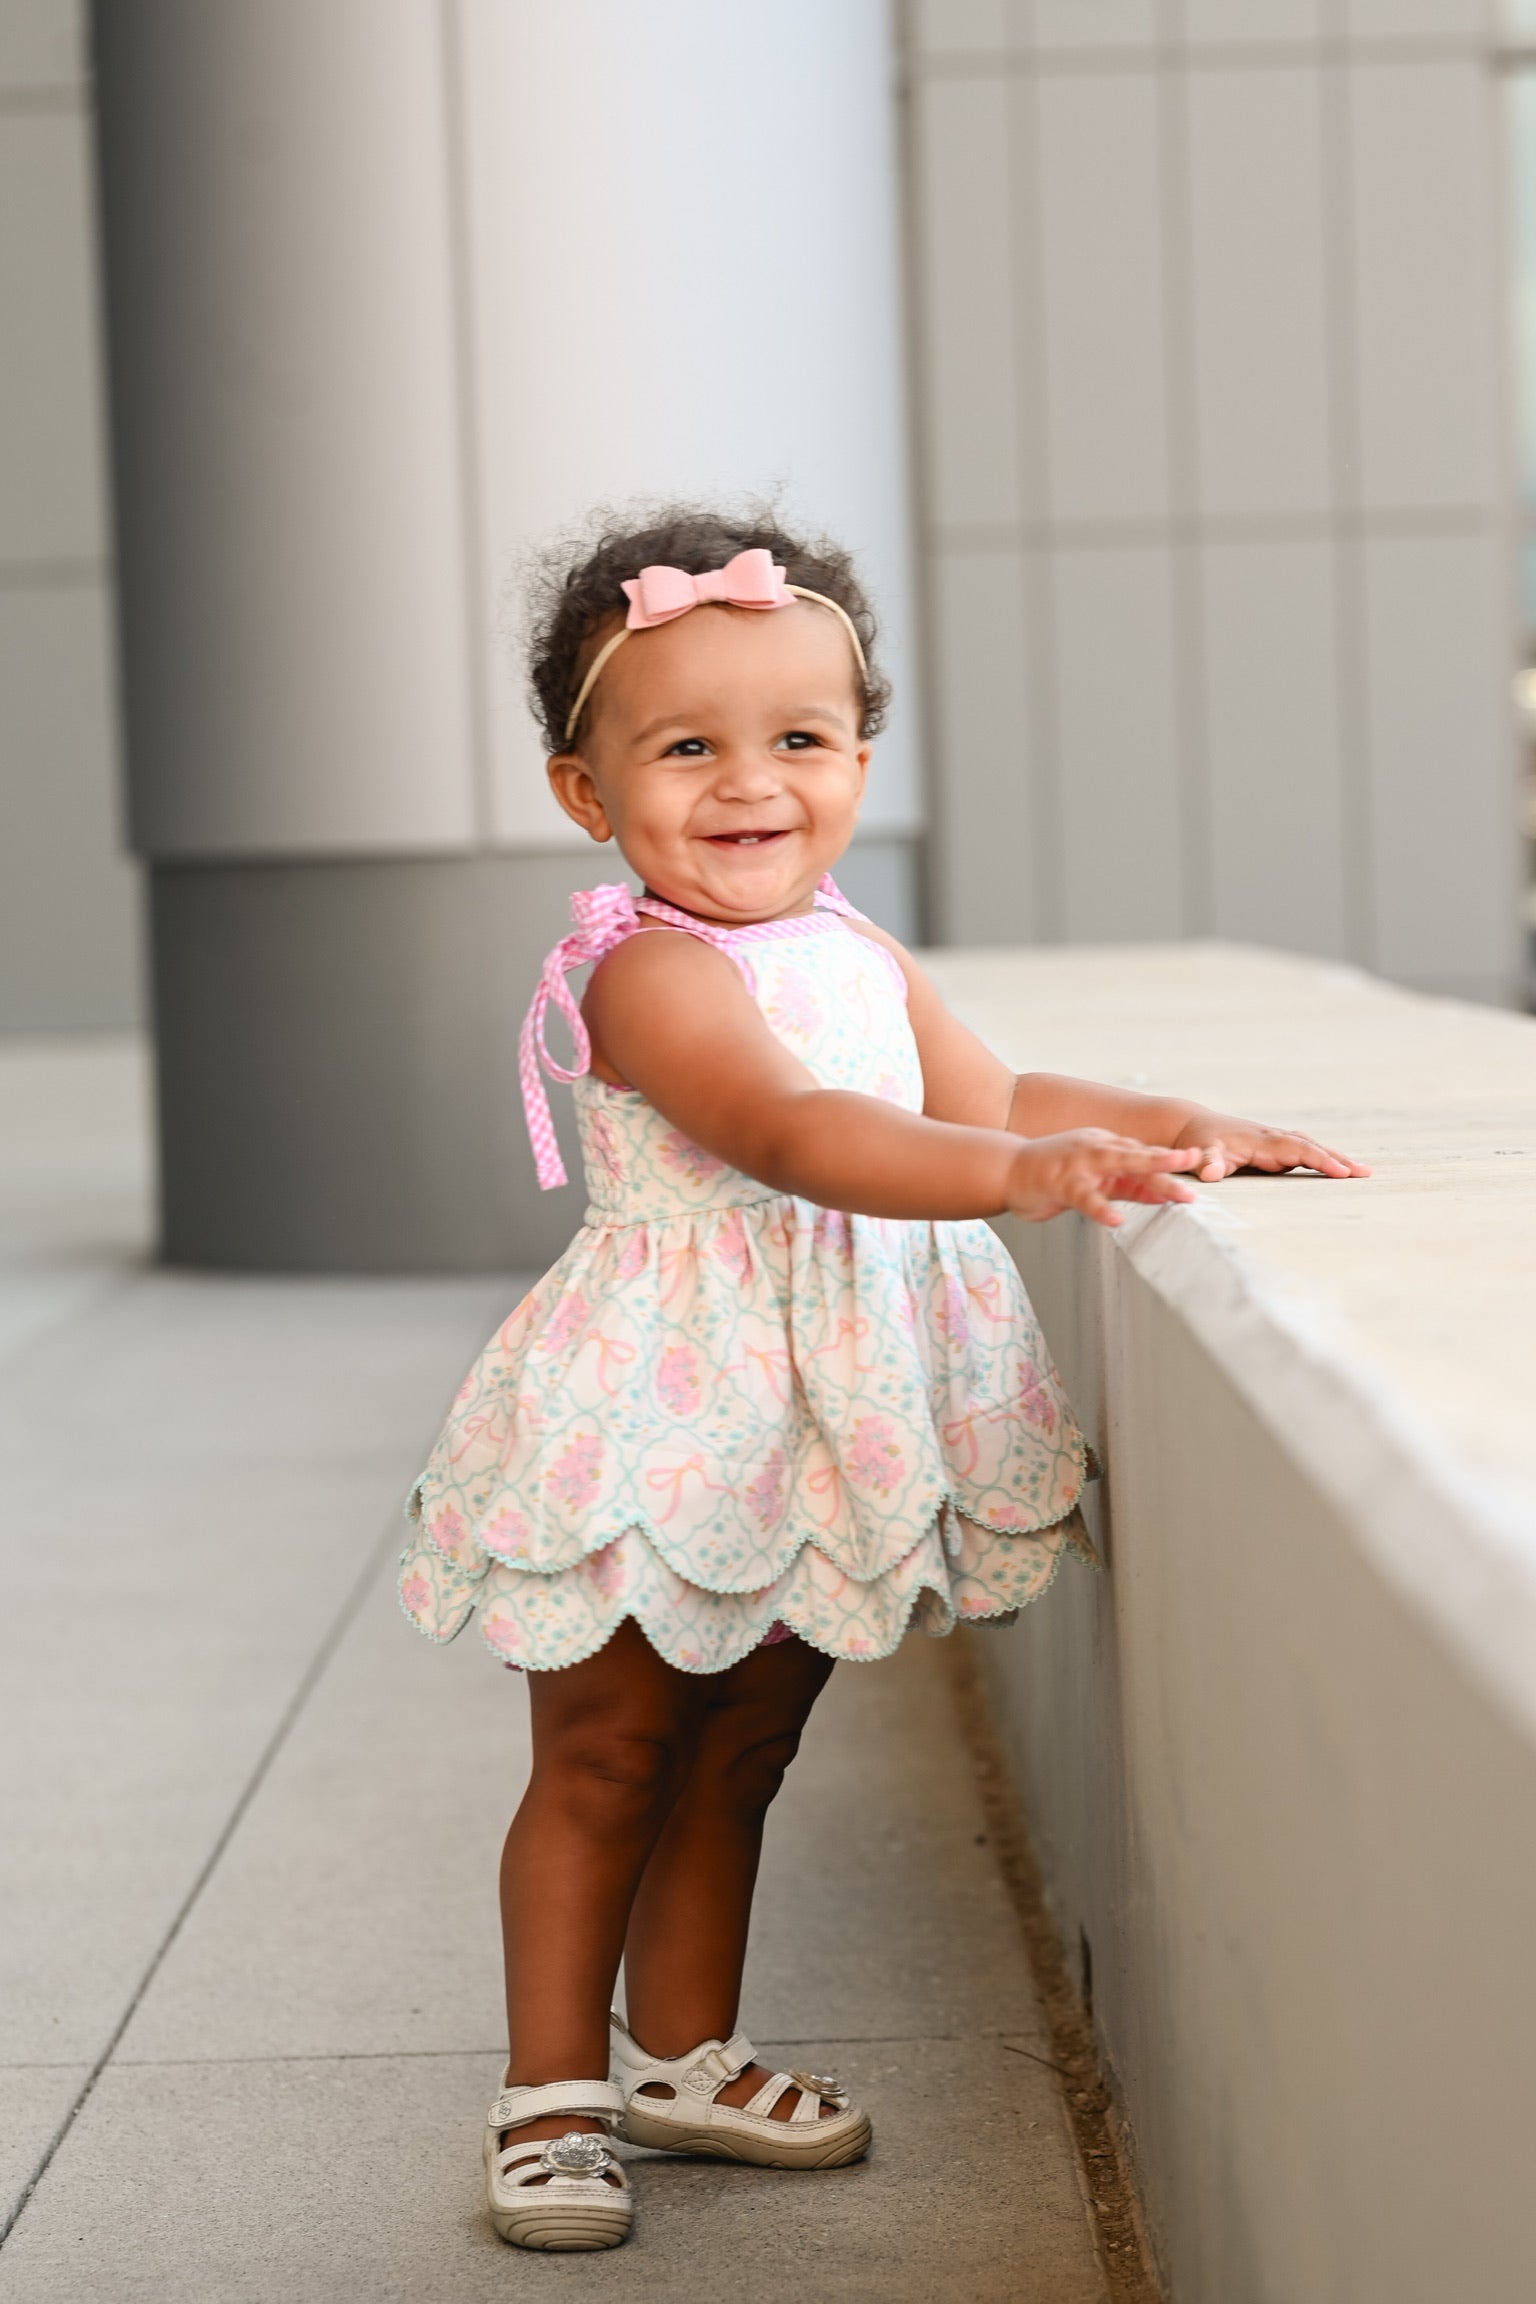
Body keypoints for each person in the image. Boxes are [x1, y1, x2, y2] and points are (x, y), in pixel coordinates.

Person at [398, 509, 1368, 2252]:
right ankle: (551, 2088)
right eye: (686, 746)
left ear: (859, 759)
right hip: (663, 1411)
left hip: (807, 1426)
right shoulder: (647, 972)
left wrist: (1161, 1124)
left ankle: (684, 2049)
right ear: (585, 791)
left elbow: (980, 1093)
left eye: (799, 740)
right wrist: (1019, 1182)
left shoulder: (855, 952)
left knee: (751, 1737)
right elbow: (799, 1131)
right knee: (614, 1748)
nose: (748, 782)